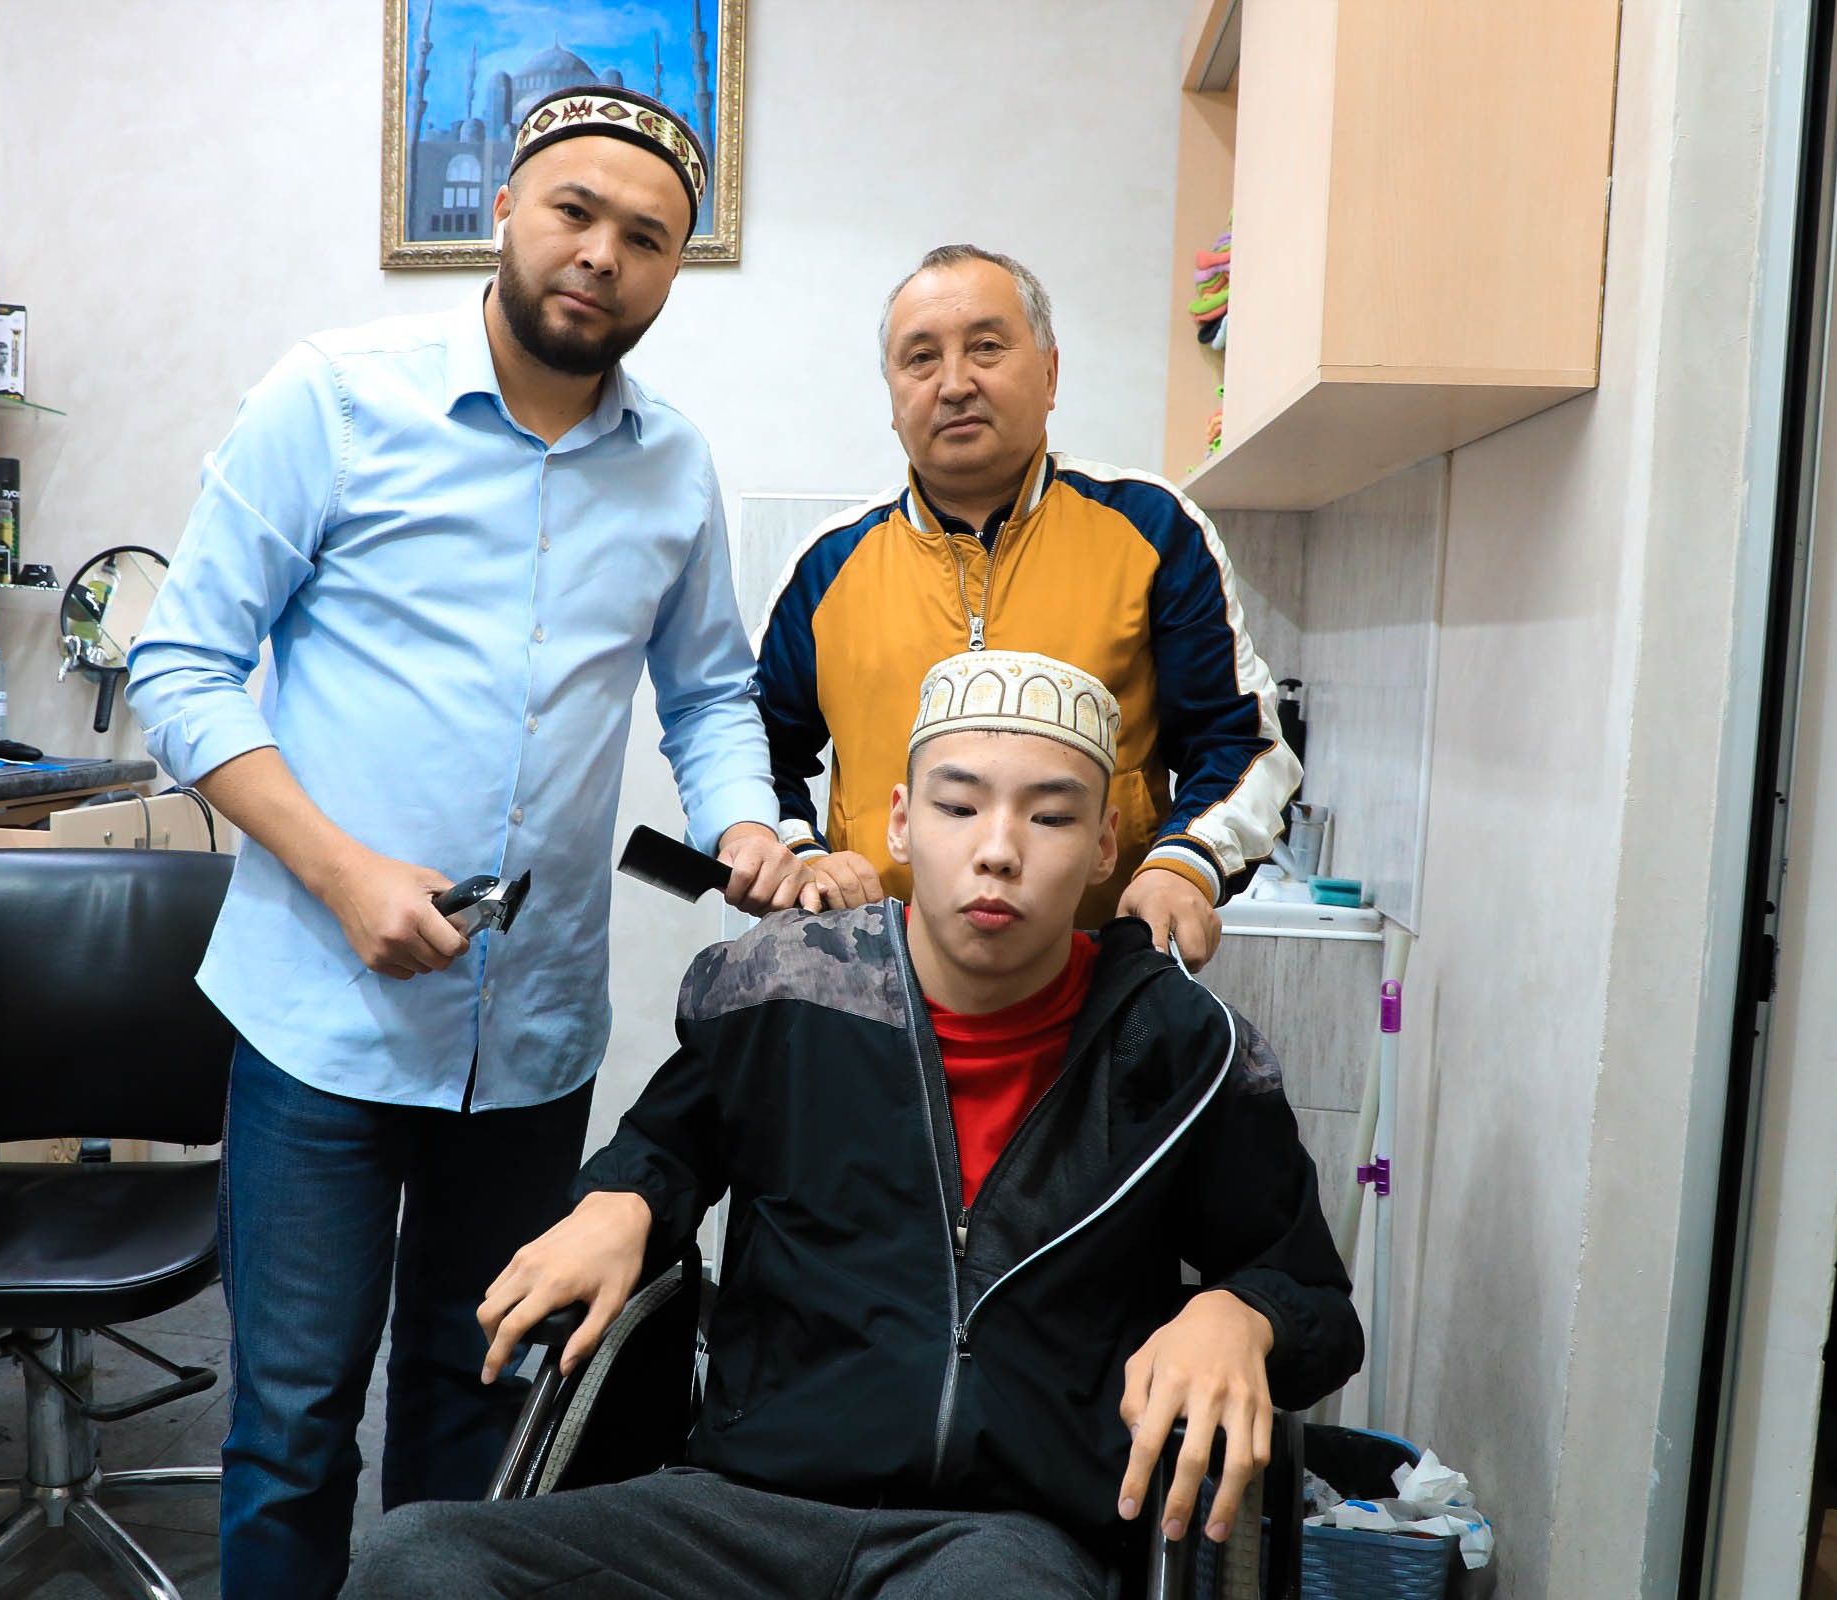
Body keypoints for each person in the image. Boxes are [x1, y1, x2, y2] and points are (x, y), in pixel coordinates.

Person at [123, 84, 808, 1599]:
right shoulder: (332, 398)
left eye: (647, 237)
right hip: (323, 1014)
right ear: (501, 209)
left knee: (480, 1397)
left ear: (675, 269)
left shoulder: (674, 466)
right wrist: (340, 870)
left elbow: (708, 693)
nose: (602, 254)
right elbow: (178, 667)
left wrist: (746, 823)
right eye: (574, 211)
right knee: (295, 1421)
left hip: (532, 1032)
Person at [343, 650, 1362, 1599]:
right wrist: (621, 1201)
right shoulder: (787, 993)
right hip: (742, 1511)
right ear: (903, 823)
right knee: (418, 1560)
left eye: (1050, 818)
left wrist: (1243, 1314)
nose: (998, 851)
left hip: (997, 1537)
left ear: (1104, 845)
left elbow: (1308, 1291)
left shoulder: (1181, 1049)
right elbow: (666, 1146)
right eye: (959, 806)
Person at [759, 244, 1300, 968]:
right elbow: (754, 753)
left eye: (986, 347)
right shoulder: (826, 569)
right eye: (920, 359)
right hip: (875, 973)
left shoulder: (1154, 530)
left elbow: (1241, 742)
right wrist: (802, 855)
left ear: (1049, 374)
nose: (955, 384)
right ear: (891, 397)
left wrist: (1185, 862)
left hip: (1100, 974)